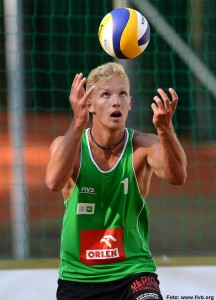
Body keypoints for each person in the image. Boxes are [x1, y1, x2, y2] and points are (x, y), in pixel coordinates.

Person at [45, 62, 187, 300]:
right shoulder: (68, 146)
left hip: (134, 273)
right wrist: (78, 122)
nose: (116, 101)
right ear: (88, 104)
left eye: (122, 94)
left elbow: (178, 176)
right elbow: (53, 182)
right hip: (79, 277)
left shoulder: (143, 146)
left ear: (130, 103)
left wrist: (165, 129)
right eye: (105, 94)